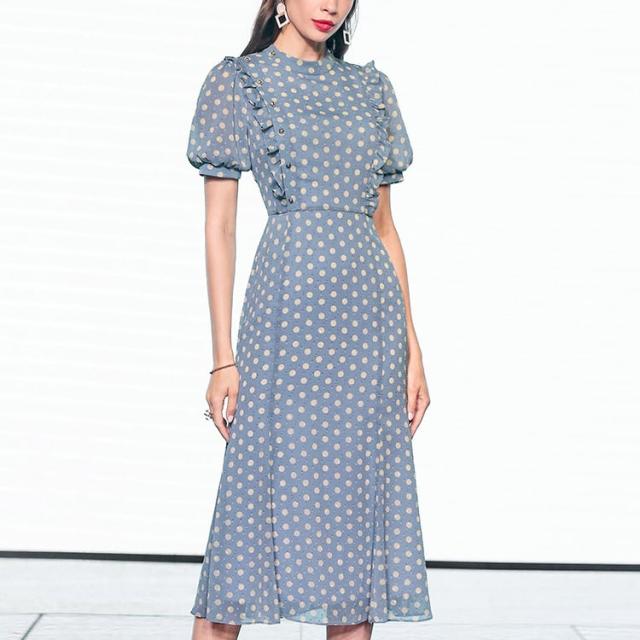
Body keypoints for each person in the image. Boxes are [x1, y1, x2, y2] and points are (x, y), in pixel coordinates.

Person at [186, 1, 433, 638]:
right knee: (246, 521)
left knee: (356, 522)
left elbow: (385, 227)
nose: (330, 4)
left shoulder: (371, 90)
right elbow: (219, 226)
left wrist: (413, 349)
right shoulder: (238, 81)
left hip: (369, 326)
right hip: (284, 317)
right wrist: (222, 358)